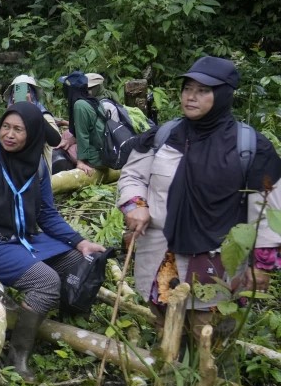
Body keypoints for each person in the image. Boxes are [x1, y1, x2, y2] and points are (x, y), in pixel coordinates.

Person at [118, 56, 281, 333]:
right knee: (164, 322)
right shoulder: (165, 136)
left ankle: (209, 374)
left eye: (203, 91)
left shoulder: (250, 147)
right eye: (187, 89)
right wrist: (136, 204)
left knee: (208, 330)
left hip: (217, 257)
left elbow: (269, 210)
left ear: (223, 95)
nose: (191, 97)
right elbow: (133, 175)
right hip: (162, 252)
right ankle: (167, 373)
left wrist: (262, 265)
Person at [0, 102, 107, 379]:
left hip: (23, 237)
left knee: (83, 261)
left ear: (32, 134)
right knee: (46, 281)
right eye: (6, 127)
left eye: (18, 130)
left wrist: (79, 242)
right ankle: (17, 356)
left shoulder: (37, 166)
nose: (9, 134)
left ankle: (56, 314)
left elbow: (46, 212)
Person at [4, 73, 74, 174]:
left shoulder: (44, 116)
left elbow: (55, 140)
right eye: (16, 91)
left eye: (26, 90)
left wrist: (33, 111)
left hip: (38, 173)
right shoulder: (9, 118)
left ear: (32, 94)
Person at [60, 71, 108, 176]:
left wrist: (80, 162)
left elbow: (83, 135)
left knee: (66, 149)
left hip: (99, 158)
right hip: (104, 150)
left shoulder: (79, 105)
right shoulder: (92, 100)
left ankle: (81, 165)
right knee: (67, 135)